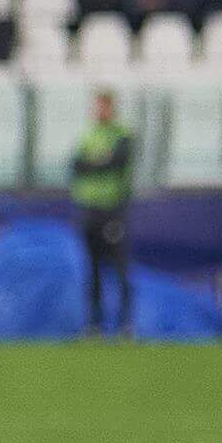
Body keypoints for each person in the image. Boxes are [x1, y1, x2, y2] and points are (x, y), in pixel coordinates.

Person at [69, 89, 135, 337]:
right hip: (89, 209)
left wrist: (94, 164)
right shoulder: (88, 135)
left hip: (112, 209)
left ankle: (125, 324)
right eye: (97, 106)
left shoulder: (122, 135)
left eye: (104, 106)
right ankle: (94, 324)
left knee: (120, 268)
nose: (100, 111)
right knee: (92, 268)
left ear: (112, 107)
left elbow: (116, 163)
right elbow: (76, 166)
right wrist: (99, 162)